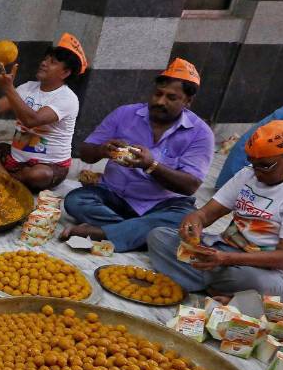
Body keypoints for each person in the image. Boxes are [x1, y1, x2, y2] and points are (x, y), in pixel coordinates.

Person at [148, 119, 283, 306]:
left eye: (265, 165)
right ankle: (227, 292)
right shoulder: (251, 173)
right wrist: (193, 223)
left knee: (240, 277)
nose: (257, 172)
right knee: (159, 237)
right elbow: (206, 214)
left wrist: (225, 259)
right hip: (229, 252)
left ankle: (213, 284)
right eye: (253, 164)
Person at [59, 58, 214, 252]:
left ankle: (103, 233)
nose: (160, 101)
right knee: (76, 200)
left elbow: (190, 186)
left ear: (188, 101)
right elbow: (85, 153)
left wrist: (152, 166)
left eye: (171, 98)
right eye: (157, 94)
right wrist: (102, 150)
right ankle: (137, 233)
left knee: (182, 218)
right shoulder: (125, 114)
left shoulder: (201, 133)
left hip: (162, 205)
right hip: (113, 196)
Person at [0, 33, 88, 191]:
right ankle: (10, 182)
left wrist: (8, 88)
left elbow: (32, 120)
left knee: (38, 175)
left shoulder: (67, 98)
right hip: (15, 158)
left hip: (49, 165)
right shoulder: (28, 87)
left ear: (65, 73)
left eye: (53, 62)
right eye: (45, 59)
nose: (44, 63)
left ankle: (4, 179)